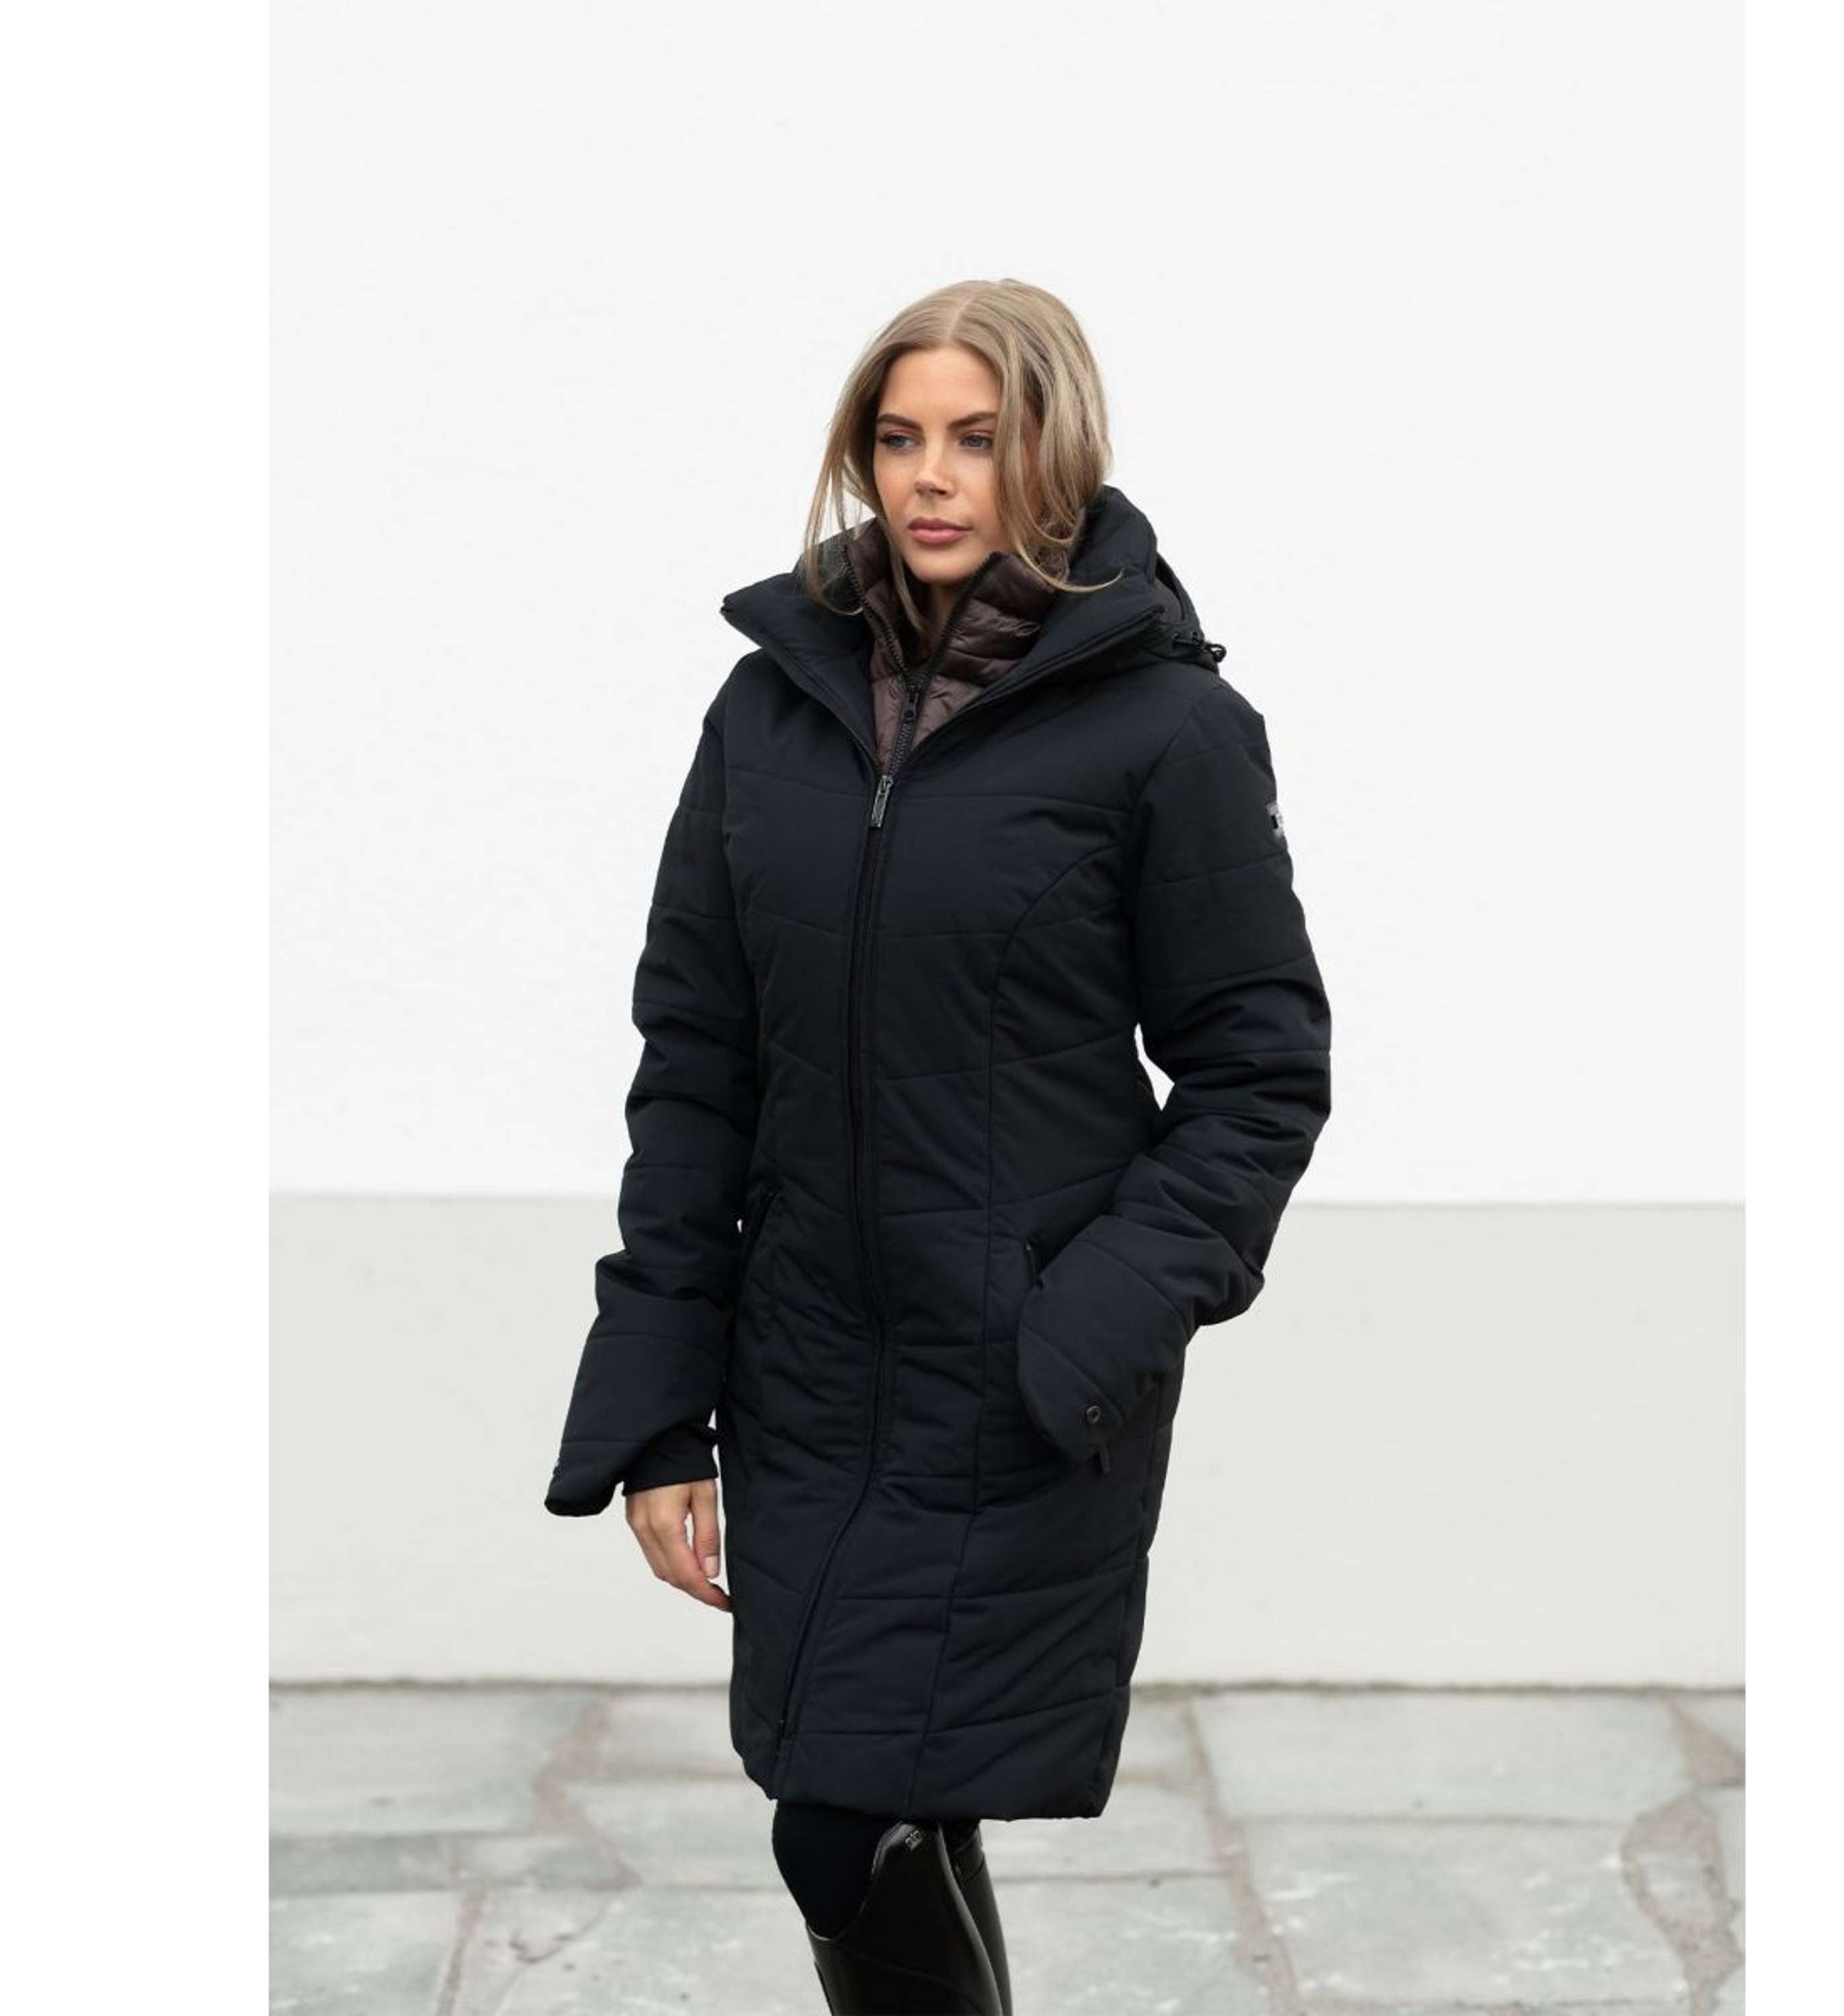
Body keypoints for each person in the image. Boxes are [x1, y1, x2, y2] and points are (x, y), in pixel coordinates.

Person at [544, 277, 1332, 2012]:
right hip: (805, 1371)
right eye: (898, 438)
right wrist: (660, 1402)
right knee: (881, 1807)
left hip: (1013, 1386)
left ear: (1058, 453)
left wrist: (1085, 1327)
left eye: (978, 439)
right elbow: (696, 1066)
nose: (931, 476)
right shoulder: (769, 712)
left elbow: (1260, 1073)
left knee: (849, 1820)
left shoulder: (1169, 730)